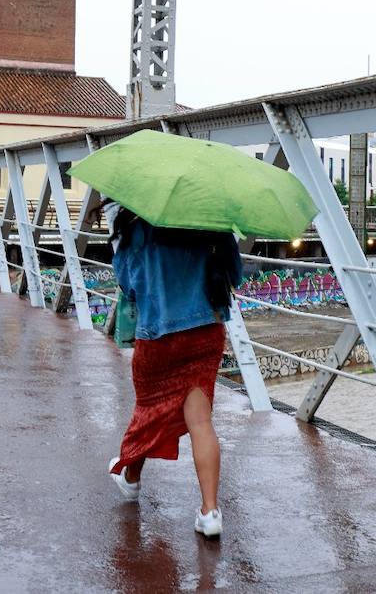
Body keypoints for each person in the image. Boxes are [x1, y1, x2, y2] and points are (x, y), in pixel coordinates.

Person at [105, 199, 241, 539]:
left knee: (149, 409)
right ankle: (210, 512)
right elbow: (235, 276)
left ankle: (131, 479)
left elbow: (128, 285)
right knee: (201, 421)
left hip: (159, 334)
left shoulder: (136, 227)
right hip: (205, 331)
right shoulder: (212, 219)